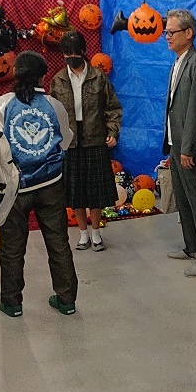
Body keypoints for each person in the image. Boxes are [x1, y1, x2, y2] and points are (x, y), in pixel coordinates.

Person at [0, 51, 79, 317]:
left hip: (15, 187)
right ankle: (67, 300)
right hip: (51, 183)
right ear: (43, 76)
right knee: (58, 241)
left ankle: (12, 303)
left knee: (12, 246)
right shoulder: (54, 105)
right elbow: (65, 141)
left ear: (14, 73)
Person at [49, 30, 121, 252]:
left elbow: (113, 108)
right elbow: (53, 112)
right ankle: (82, 234)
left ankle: (96, 233)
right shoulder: (58, 80)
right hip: (70, 142)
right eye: (66, 53)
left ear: (83, 51)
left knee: (95, 191)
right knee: (76, 191)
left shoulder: (98, 77)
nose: (70, 57)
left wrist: (113, 131)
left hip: (95, 138)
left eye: (74, 52)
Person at [162, 9, 196, 277]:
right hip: (176, 143)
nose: (167, 37)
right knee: (182, 199)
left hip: (189, 146)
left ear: (189, 33)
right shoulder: (177, 62)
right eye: (166, 32)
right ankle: (192, 245)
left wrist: (188, 148)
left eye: (171, 32)